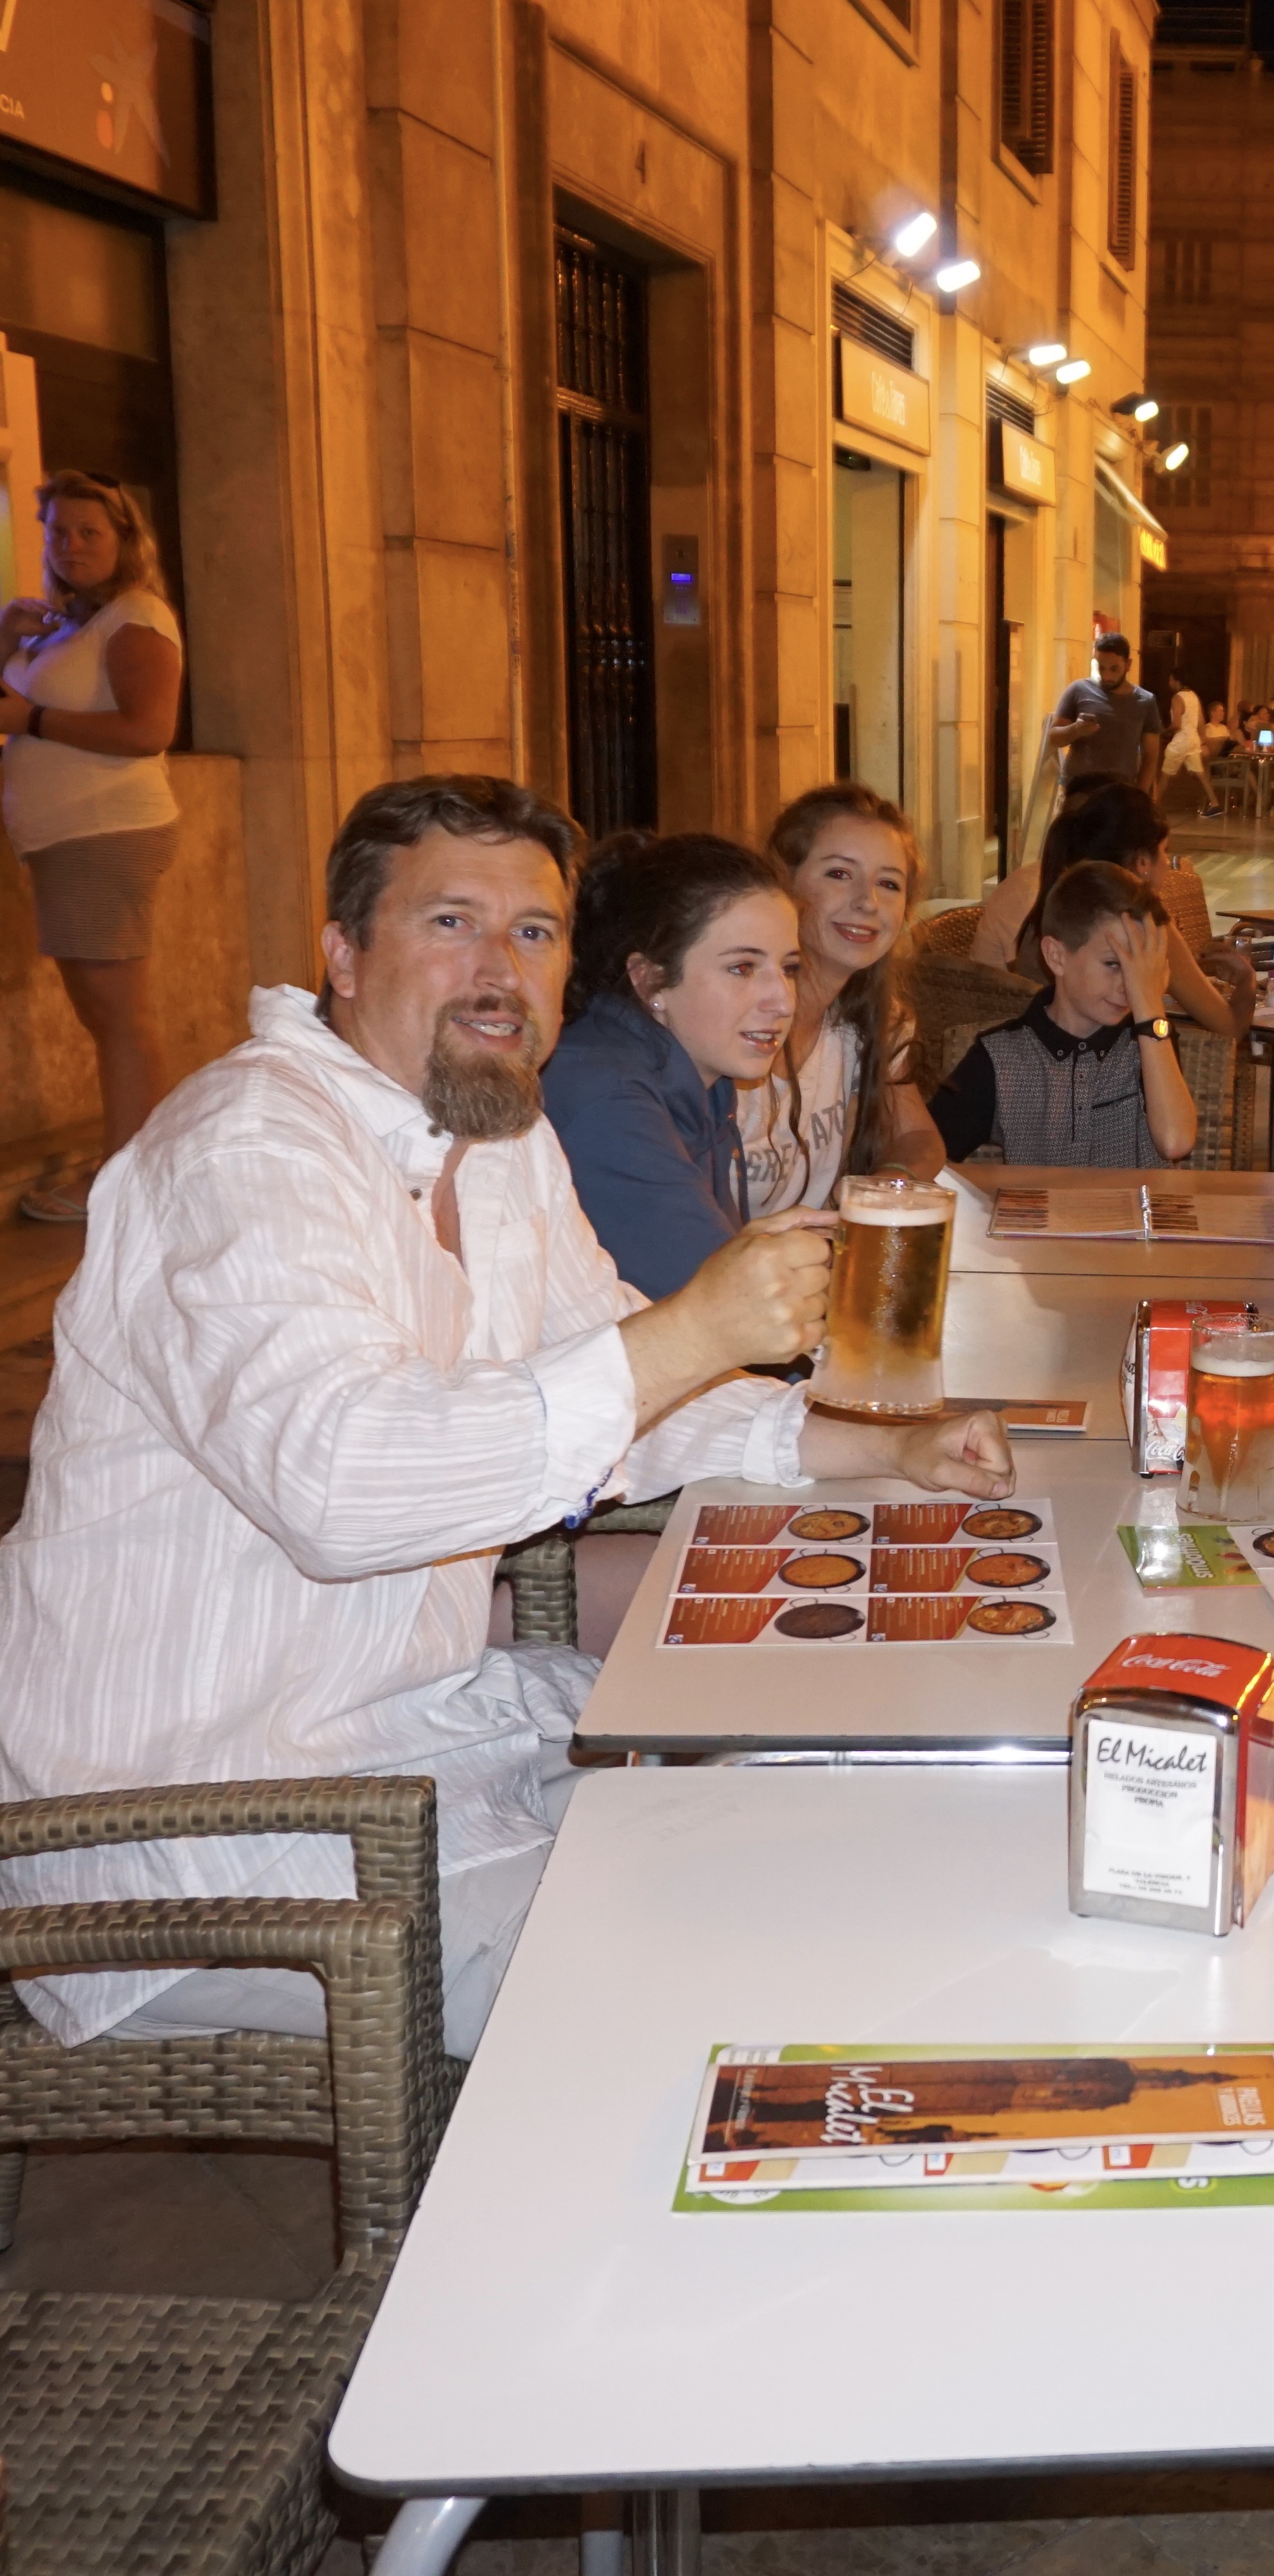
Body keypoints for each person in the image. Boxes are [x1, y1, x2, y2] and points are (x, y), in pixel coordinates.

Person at [0, 775, 1013, 2056]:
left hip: (416, 1737)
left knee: (822, 1778)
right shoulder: (246, 1150)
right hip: (200, 1835)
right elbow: (344, 1490)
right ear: (342, 954)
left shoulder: (498, 1135)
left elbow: (622, 1384)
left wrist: (876, 1445)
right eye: (450, 923)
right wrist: (694, 1328)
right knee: (719, 1984)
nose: (499, 969)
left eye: (531, 931)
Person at [5, 471, 187, 1223]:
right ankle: (137, 1172)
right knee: (107, 1015)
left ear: (124, 540)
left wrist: (31, 720)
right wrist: (6, 637)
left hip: (106, 835)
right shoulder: (64, 626)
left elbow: (149, 730)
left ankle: (126, 1186)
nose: (71, 545)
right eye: (59, 532)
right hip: (68, 841)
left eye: (89, 532)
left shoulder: (136, 616)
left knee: (118, 1016)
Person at [542, 834, 804, 1301]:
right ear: (649, 981)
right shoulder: (606, 1099)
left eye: (790, 968)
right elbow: (730, 1305)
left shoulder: (702, 1078)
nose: (783, 1001)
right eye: (743, 968)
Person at [738, 783, 947, 1216]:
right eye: (839, 874)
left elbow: (919, 1139)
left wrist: (884, 1188)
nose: (868, 902)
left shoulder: (872, 1020)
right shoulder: (732, 1020)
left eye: (889, 884)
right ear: (783, 884)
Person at [927, 862, 1197, 1166]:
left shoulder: (1150, 1040)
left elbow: (1175, 1143)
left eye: (1141, 971)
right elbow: (928, 1151)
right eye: (1113, 965)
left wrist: (1150, 1010)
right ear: (1056, 956)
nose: (1131, 987)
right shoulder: (1002, 1056)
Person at [972, 783, 1248, 1038]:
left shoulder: (1056, 906)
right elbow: (1230, 1027)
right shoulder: (1142, 925)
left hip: (1041, 1052)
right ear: (1143, 862)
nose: (1167, 862)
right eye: (1165, 851)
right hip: (1112, 1062)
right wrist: (1247, 979)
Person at [1047, 631, 1163, 800]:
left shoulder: (1145, 702)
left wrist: (1141, 796)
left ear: (1128, 665)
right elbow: (1053, 738)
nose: (1107, 676)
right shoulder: (1078, 690)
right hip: (1078, 792)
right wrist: (1076, 729)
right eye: (1101, 668)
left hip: (1121, 793)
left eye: (1114, 669)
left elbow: (1151, 757)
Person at [1159, 680, 1215, 814]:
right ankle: (1215, 803)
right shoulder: (1194, 696)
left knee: (1165, 775)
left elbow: (1177, 724)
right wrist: (1202, 741)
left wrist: (1164, 732)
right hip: (1193, 740)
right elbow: (1201, 721)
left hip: (1181, 741)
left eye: (1171, 680)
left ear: (1176, 681)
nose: (1169, 683)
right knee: (1200, 774)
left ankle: (1153, 804)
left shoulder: (1177, 698)